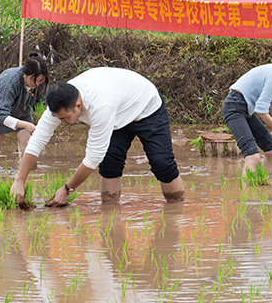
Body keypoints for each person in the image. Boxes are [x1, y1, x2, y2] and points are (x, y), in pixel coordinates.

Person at [11, 67, 184, 206]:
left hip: (146, 106)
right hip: (118, 112)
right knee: (110, 164)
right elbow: (38, 140)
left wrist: (67, 189)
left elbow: (92, 158)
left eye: (65, 118)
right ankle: (110, 218)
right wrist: (20, 179)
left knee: (162, 163)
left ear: (78, 106)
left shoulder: (101, 107)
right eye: (58, 118)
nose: (62, 122)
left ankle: (177, 211)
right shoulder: (59, 102)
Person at [0, 53, 50, 166]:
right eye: (33, 80)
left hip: (23, 113)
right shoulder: (11, 80)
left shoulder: (39, 82)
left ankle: (32, 179)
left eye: (40, 81)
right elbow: (1, 114)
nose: (36, 84)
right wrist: (27, 125)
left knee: (29, 151)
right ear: (24, 73)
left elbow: (43, 104)